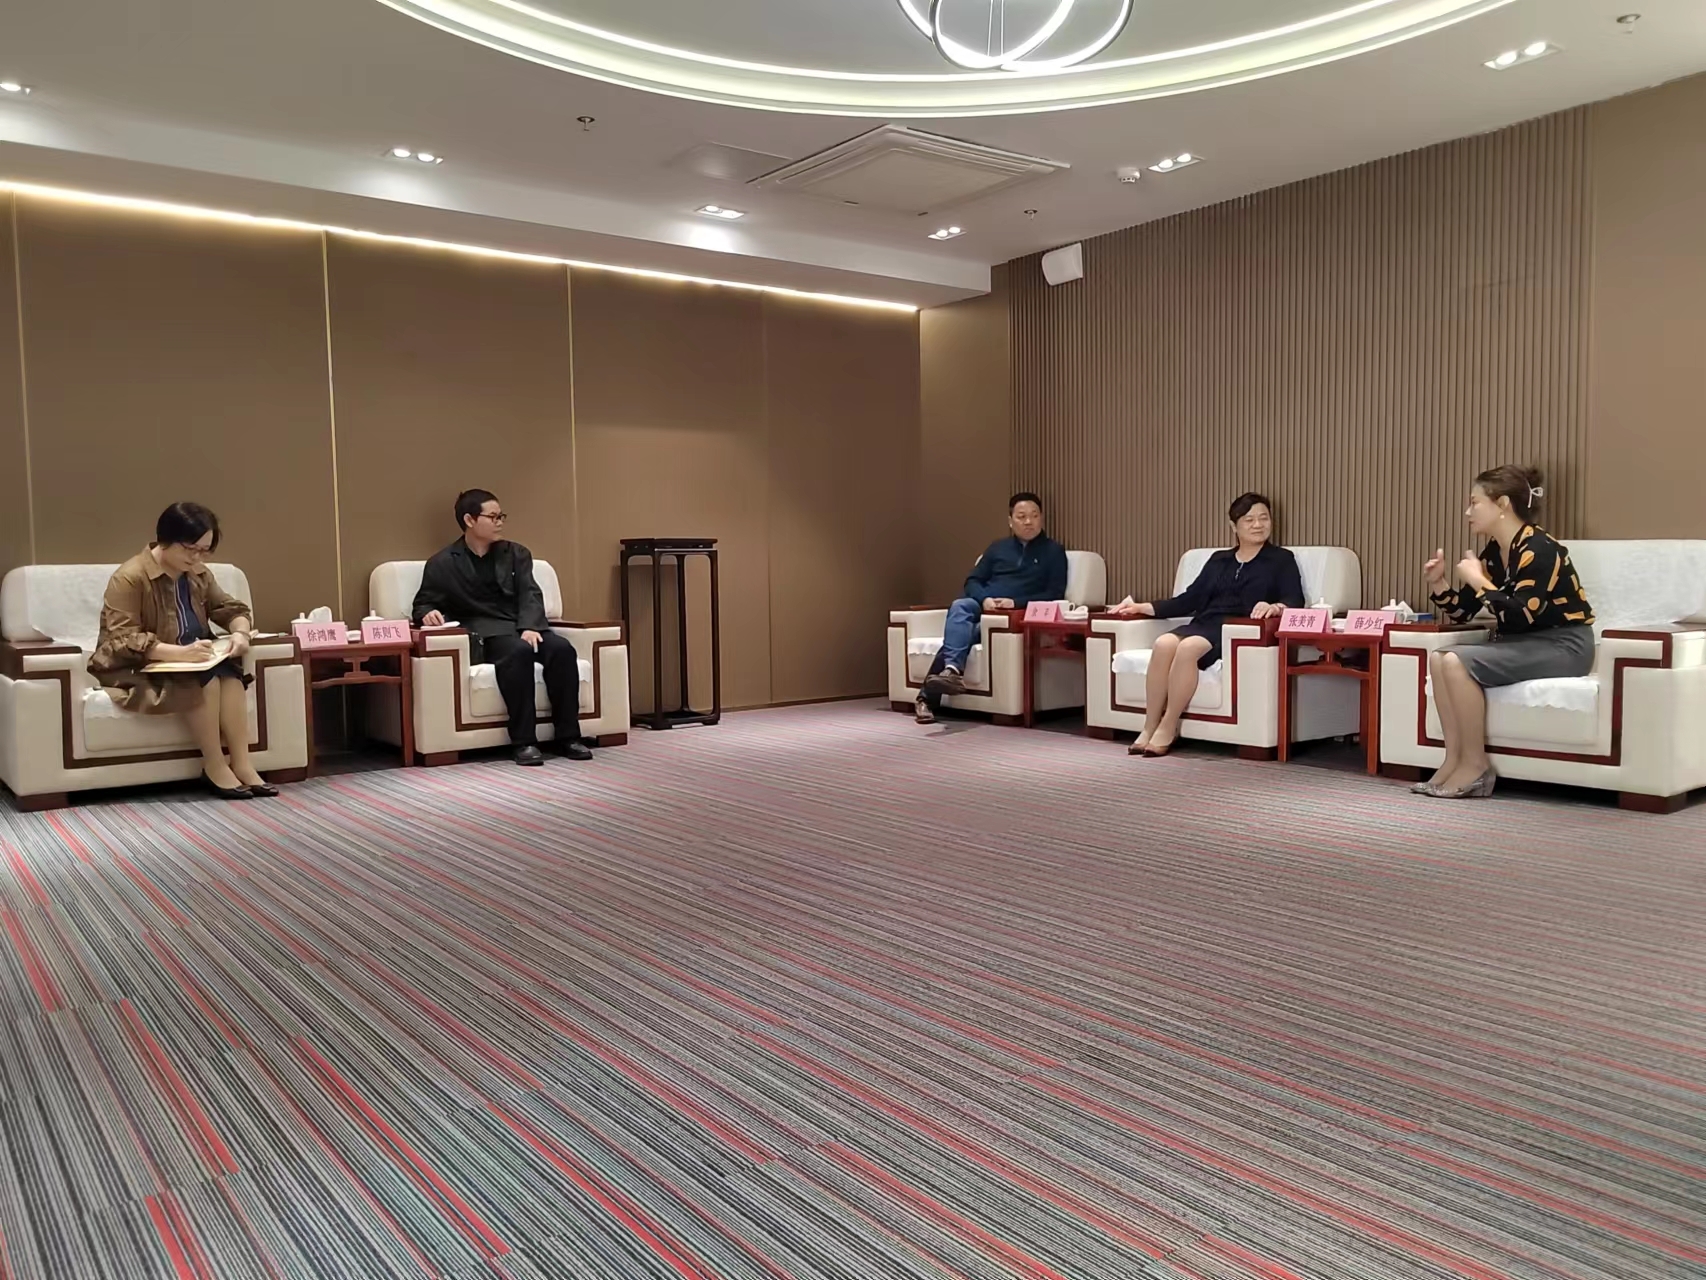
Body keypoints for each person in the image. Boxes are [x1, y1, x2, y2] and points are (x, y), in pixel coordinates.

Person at [1417, 466, 1594, 800]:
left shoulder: (1540, 549)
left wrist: (1478, 581)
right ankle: (1453, 760)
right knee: (1440, 658)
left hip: (1565, 646)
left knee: (1454, 661)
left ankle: (1476, 766)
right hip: (1523, 643)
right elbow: (1463, 612)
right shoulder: (1494, 553)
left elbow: (1522, 614)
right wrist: (1439, 583)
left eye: (1474, 503)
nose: (1468, 512)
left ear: (1502, 504)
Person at [88, 503, 278, 800]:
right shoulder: (130, 577)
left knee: (230, 678)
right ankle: (215, 765)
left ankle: (242, 763)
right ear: (166, 539)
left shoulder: (198, 573)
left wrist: (240, 633)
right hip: (142, 663)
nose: (197, 558)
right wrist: (177, 653)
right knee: (206, 681)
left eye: (204, 551)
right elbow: (121, 638)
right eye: (191, 549)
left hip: (195, 658)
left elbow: (229, 609)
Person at [1106, 492, 1303, 757]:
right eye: (1249, 520)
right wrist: (1142, 607)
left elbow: (1295, 599)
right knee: (1163, 644)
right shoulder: (1218, 560)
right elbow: (1189, 599)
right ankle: (1149, 725)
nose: (1258, 525)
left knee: (1188, 648)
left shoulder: (1281, 559)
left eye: (1264, 518)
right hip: (1205, 621)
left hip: (1237, 628)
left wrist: (1275, 606)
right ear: (1234, 526)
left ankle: (1168, 725)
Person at [411, 490, 591, 766]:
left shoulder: (517, 554)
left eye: (501, 516)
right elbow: (422, 603)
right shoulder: (443, 562)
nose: (500, 522)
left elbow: (531, 594)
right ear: (469, 520)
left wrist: (530, 626)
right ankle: (524, 742)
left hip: (524, 626)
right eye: (493, 517)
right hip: (487, 633)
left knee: (562, 649)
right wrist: (428, 614)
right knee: (518, 652)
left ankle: (569, 737)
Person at [916, 492, 1068, 724]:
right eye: (1021, 516)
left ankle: (928, 697)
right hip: (984, 605)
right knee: (960, 606)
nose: (1028, 521)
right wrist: (985, 599)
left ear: (1042, 518)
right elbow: (972, 581)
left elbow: (1054, 593)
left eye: (1034, 515)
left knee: (965, 634)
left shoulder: (1054, 551)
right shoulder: (997, 548)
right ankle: (951, 672)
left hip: (1011, 615)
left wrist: (1014, 603)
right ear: (1010, 521)